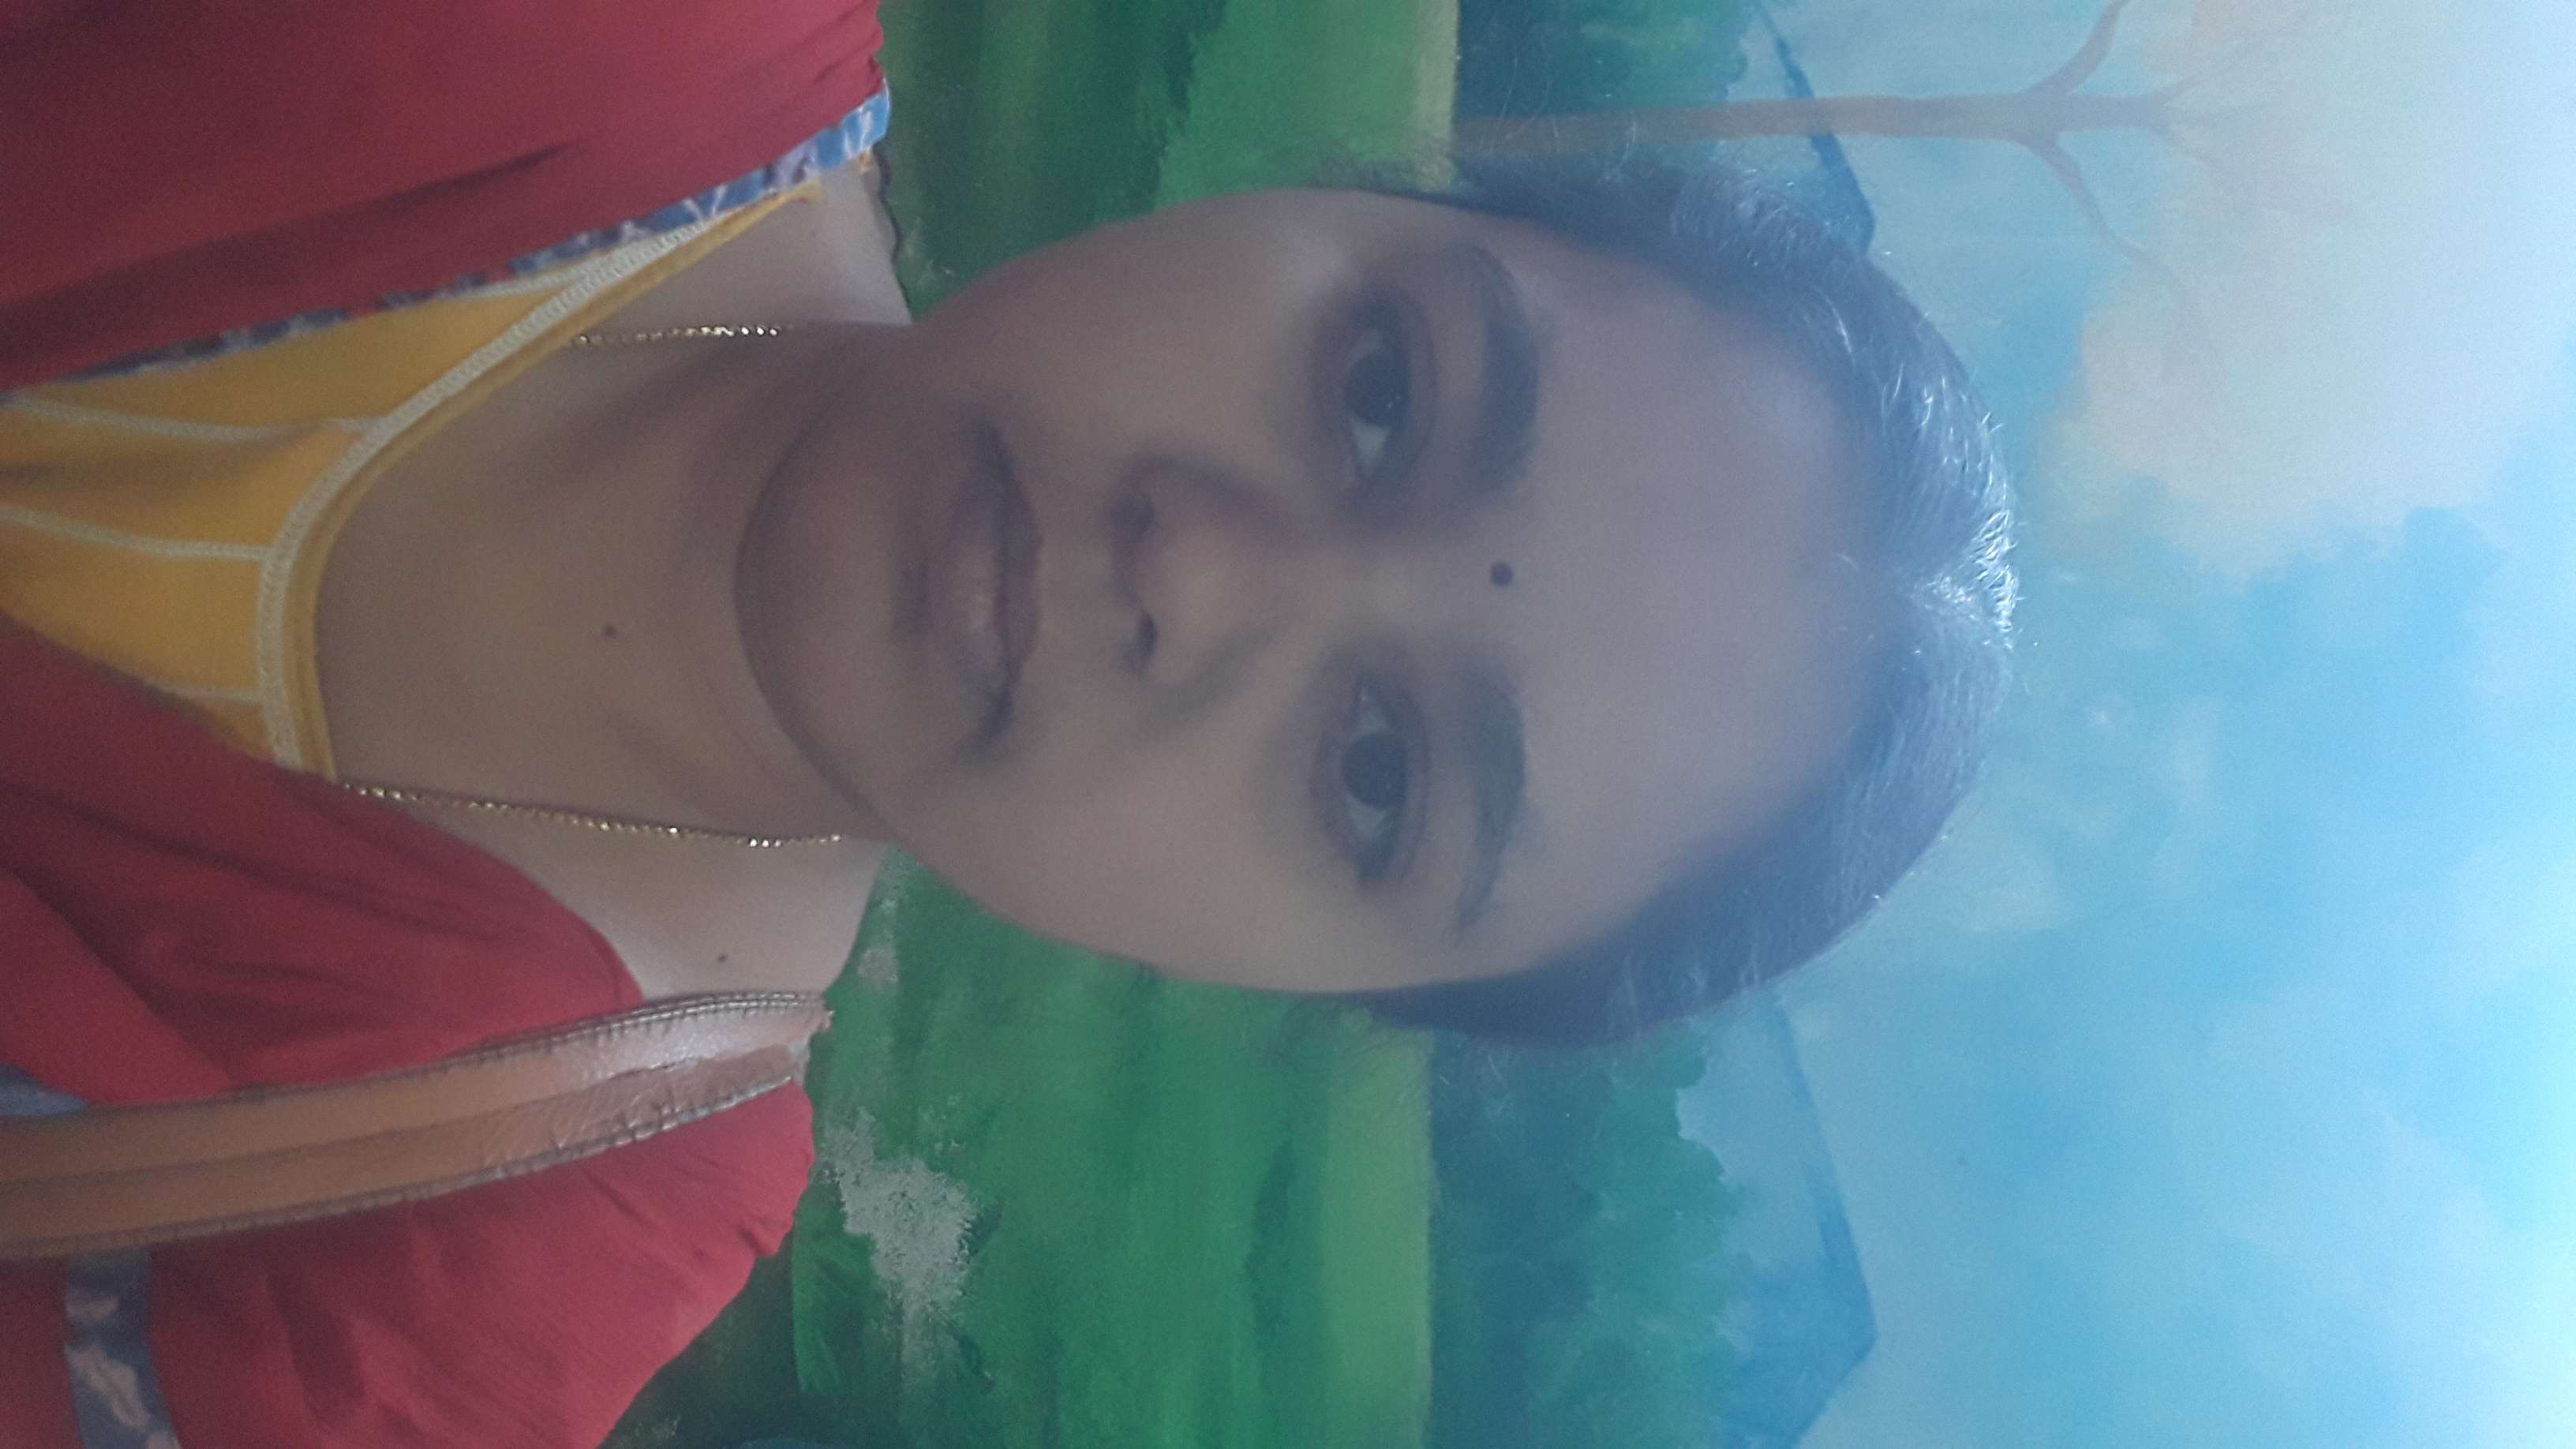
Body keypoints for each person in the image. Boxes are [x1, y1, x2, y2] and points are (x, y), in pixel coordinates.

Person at [0, 6, 2016, 1447]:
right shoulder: (616, 42)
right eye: (1381, 391)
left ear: (1284, 980)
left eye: (1375, 777)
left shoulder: (486, 1264)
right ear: (1316, 202)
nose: (1202, 574)